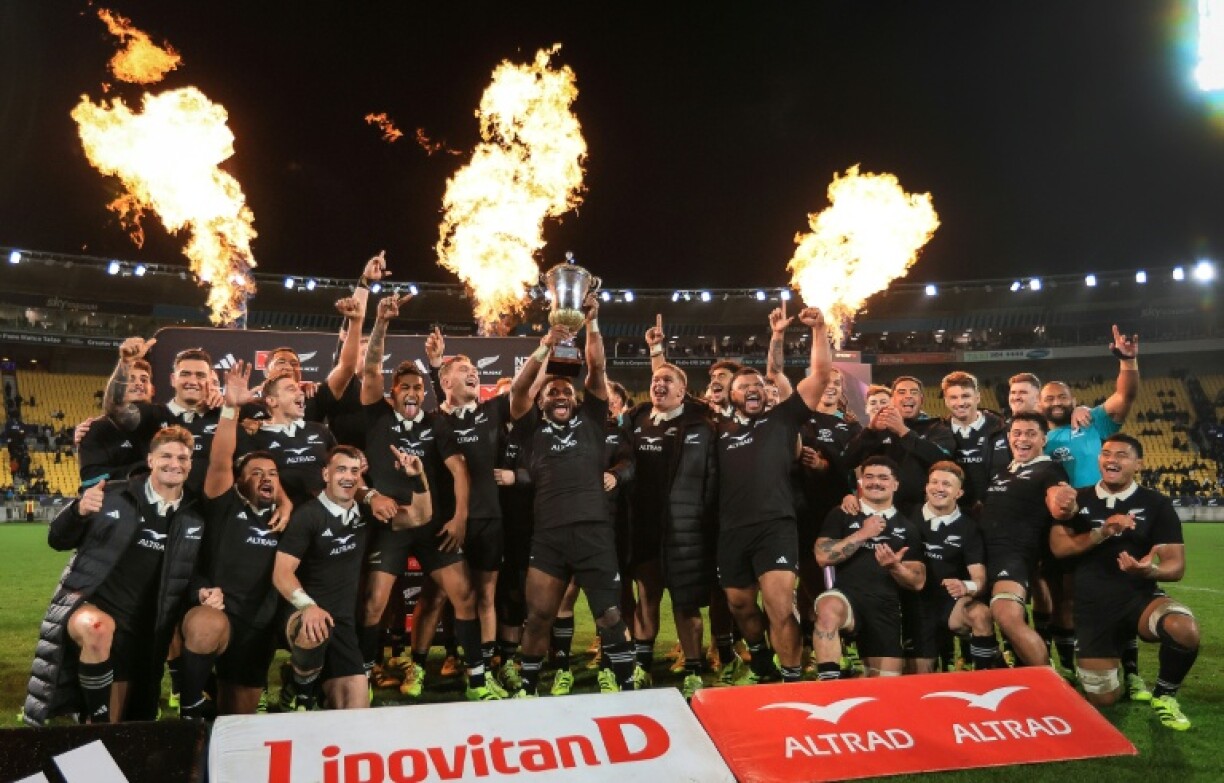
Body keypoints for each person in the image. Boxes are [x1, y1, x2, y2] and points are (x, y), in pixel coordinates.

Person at [24, 427, 206, 725]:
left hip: (143, 628)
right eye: (167, 456)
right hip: (90, 606)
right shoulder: (111, 494)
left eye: (183, 458)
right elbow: (57, 539)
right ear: (150, 460)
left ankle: (101, 728)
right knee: (97, 629)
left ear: (190, 464)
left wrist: (203, 590)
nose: (175, 463)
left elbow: (189, 570)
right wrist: (78, 511)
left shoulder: (194, 515)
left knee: (125, 721)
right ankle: (95, 725)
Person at [359, 295, 491, 700]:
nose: (412, 393)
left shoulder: (436, 424)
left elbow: (459, 470)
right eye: (405, 388)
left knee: (464, 594)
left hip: (434, 524)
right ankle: (360, 679)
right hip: (390, 526)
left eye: (418, 387)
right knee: (374, 603)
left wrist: (461, 519)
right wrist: (380, 323)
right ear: (393, 392)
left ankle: (477, 679)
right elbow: (369, 368)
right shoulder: (376, 416)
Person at [508, 292, 638, 696]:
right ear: (541, 402)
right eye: (552, 392)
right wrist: (544, 345)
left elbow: (597, 367)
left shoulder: (594, 422)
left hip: (594, 534)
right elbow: (518, 390)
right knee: (538, 617)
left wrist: (593, 322)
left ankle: (625, 685)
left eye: (566, 392)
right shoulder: (530, 429)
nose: (560, 395)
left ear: (576, 400)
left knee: (611, 616)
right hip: (548, 537)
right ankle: (528, 687)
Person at [1049, 434, 1199, 731]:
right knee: (1104, 698)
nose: (1112, 460)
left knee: (1184, 628)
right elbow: (1059, 549)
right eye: (1106, 453)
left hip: (1139, 598)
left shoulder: (1156, 503)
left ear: (1139, 464)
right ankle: (1126, 667)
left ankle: (1165, 696)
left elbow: (1175, 565)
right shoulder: (1076, 499)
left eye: (1122, 454)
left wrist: (1149, 572)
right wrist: (1103, 531)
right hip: (1092, 608)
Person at [715, 307, 831, 685]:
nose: (752, 389)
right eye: (743, 385)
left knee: (780, 605)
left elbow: (820, 376)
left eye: (758, 385)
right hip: (732, 529)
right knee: (741, 605)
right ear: (730, 395)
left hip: (775, 525)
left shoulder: (781, 420)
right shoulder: (718, 429)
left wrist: (818, 330)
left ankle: (793, 678)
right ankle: (761, 658)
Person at [273, 446, 430, 711]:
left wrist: (418, 477)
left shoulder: (364, 513)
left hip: (342, 625)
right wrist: (307, 606)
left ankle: (299, 680)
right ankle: (302, 694)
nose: (348, 477)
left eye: (355, 471)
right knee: (315, 630)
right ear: (326, 474)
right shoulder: (308, 515)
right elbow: (281, 572)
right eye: (341, 470)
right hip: (302, 615)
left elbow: (419, 516)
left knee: (357, 711)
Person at [177, 361, 287, 716]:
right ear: (240, 481)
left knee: (238, 721)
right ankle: (190, 706)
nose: (266, 478)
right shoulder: (224, 506)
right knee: (205, 625)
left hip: (258, 630)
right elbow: (221, 459)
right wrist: (231, 408)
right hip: (219, 615)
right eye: (256, 473)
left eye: (272, 473)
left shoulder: (288, 519)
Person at [422, 328, 515, 690]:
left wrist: (546, 348)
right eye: (464, 369)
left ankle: (486, 665)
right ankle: (454, 655)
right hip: (449, 521)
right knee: (448, 595)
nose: (474, 372)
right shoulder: (435, 420)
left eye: (476, 368)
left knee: (485, 596)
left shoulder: (491, 411)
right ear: (446, 381)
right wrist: (433, 366)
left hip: (490, 518)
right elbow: (440, 398)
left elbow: (523, 389)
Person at [621, 361, 718, 698]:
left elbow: (711, 480)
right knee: (646, 596)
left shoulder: (700, 427)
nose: (659, 385)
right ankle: (642, 666)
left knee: (685, 602)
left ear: (682, 390)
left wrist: (705, 522)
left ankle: (693, 669)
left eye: (667, 380)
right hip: (644, 526)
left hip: (685, 529)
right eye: (655, 379)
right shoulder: (636, 420)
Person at [812, 456, 925, 679]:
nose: (875, 482)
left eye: (883, 478)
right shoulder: (842, 514)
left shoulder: (907, 527)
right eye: (869, 477)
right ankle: (828, 688)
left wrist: (895, 567)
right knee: (827, 607)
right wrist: (863, 534)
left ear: (895, 484)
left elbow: (918, 581)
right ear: (861, 482)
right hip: (847, 599)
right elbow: (822, 556)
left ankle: (854, 669)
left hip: (885, 609)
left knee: (886, 689)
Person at [978, 411, 1076, 666]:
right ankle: (1007, 669)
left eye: (1031, 434)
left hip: (1015, 555)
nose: (1023, 439)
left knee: (1005, 613)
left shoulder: (1049, 469)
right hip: (985, 555)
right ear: (1009, 437)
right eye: (1017, 433)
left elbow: (1058, 502)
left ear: (1044, 439)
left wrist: (1064, 504)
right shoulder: (1002, 471)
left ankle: (1047, 682)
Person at [906, 461, 998, 672]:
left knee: (981, 614)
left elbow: (979, 579)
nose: (939, 488)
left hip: (951, 605)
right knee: (920, 680)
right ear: (926, 486)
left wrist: (966, 587)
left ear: (959, 492)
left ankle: (985, 677)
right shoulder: (908, 516)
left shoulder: (969, 528)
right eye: (934, 482)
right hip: (915, 604)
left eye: (946, 484)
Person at [101, 340, 224, 494]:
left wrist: (229, 406)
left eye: (200, 375)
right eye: (185, 374)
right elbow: (116, 409)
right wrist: (125, 363)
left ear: (209, 381)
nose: (192, 381)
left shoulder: (224, 418)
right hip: (154, 510)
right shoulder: (150, 415)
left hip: (207, 514)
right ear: (173, 379)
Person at [1041, 326, 1140, 488]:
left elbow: (1125, 396)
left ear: (1074, 402)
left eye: (1062, 397)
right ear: (1040, 404)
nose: (1056, 402)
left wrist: (1127, 361)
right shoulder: (1034, 436)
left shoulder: (1091, 420)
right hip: (1053, 510)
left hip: (1094, 506)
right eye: (1049, 399)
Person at [845, 376, 953, 515]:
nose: (908, 395)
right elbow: (848, 461)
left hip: (924, 512)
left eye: (913, 392)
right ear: (892, 400)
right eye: (901, 392)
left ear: (922, 400)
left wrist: (903, 431)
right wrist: (870, 431)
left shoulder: (937, 428)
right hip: (880, 512)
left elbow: (942, 460)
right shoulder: (877, 431)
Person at [240, 371, 337, 507]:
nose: (301, 393)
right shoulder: (254, 434)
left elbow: (339, 466)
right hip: (278, 513)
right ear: (272, 400)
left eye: (299, 389)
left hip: (324, 511)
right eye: (291, 389)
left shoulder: (320, 430)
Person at [940, 371, 1008, 516]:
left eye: (965, 396)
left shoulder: (1002, 429)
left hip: (998, 509)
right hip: (954, 513)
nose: (960, 403)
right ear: (946, 400)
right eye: (953, 397)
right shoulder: (937, 433)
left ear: (977, 397)